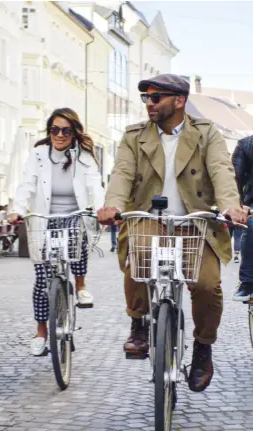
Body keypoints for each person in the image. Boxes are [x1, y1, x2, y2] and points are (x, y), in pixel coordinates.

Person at [97, 73, 247, 393]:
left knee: (208, 285)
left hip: (196, 221)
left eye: (156, 97)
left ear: (179, 101)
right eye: (146, 98)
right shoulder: (134, 136)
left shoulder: (206, 134)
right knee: (138, 260)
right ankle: (139, 325)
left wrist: (231, 206)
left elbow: (221, 170)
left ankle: (203, 349)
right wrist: (112, 205)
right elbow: (122, 173)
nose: (149, 104)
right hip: (149, 218)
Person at [7, 108, 104, 357]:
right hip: (44, 219)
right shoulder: (38, 154)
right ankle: (41, 332)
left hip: (74, 215)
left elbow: (95, 184)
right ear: (49, 131)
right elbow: (26, 184)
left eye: (65, 130)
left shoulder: (84, 157)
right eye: (54, 130)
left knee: (77, 234)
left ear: (74, 133)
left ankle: (80, 285)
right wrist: (16, 209)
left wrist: (101, 208)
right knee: (42, 280)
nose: (59, 135)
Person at [231, 135, 253, 298]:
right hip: (251, 201)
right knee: (252, 226)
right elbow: (234, 178)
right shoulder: (246, 145)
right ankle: (247, 282)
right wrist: (238, 205)